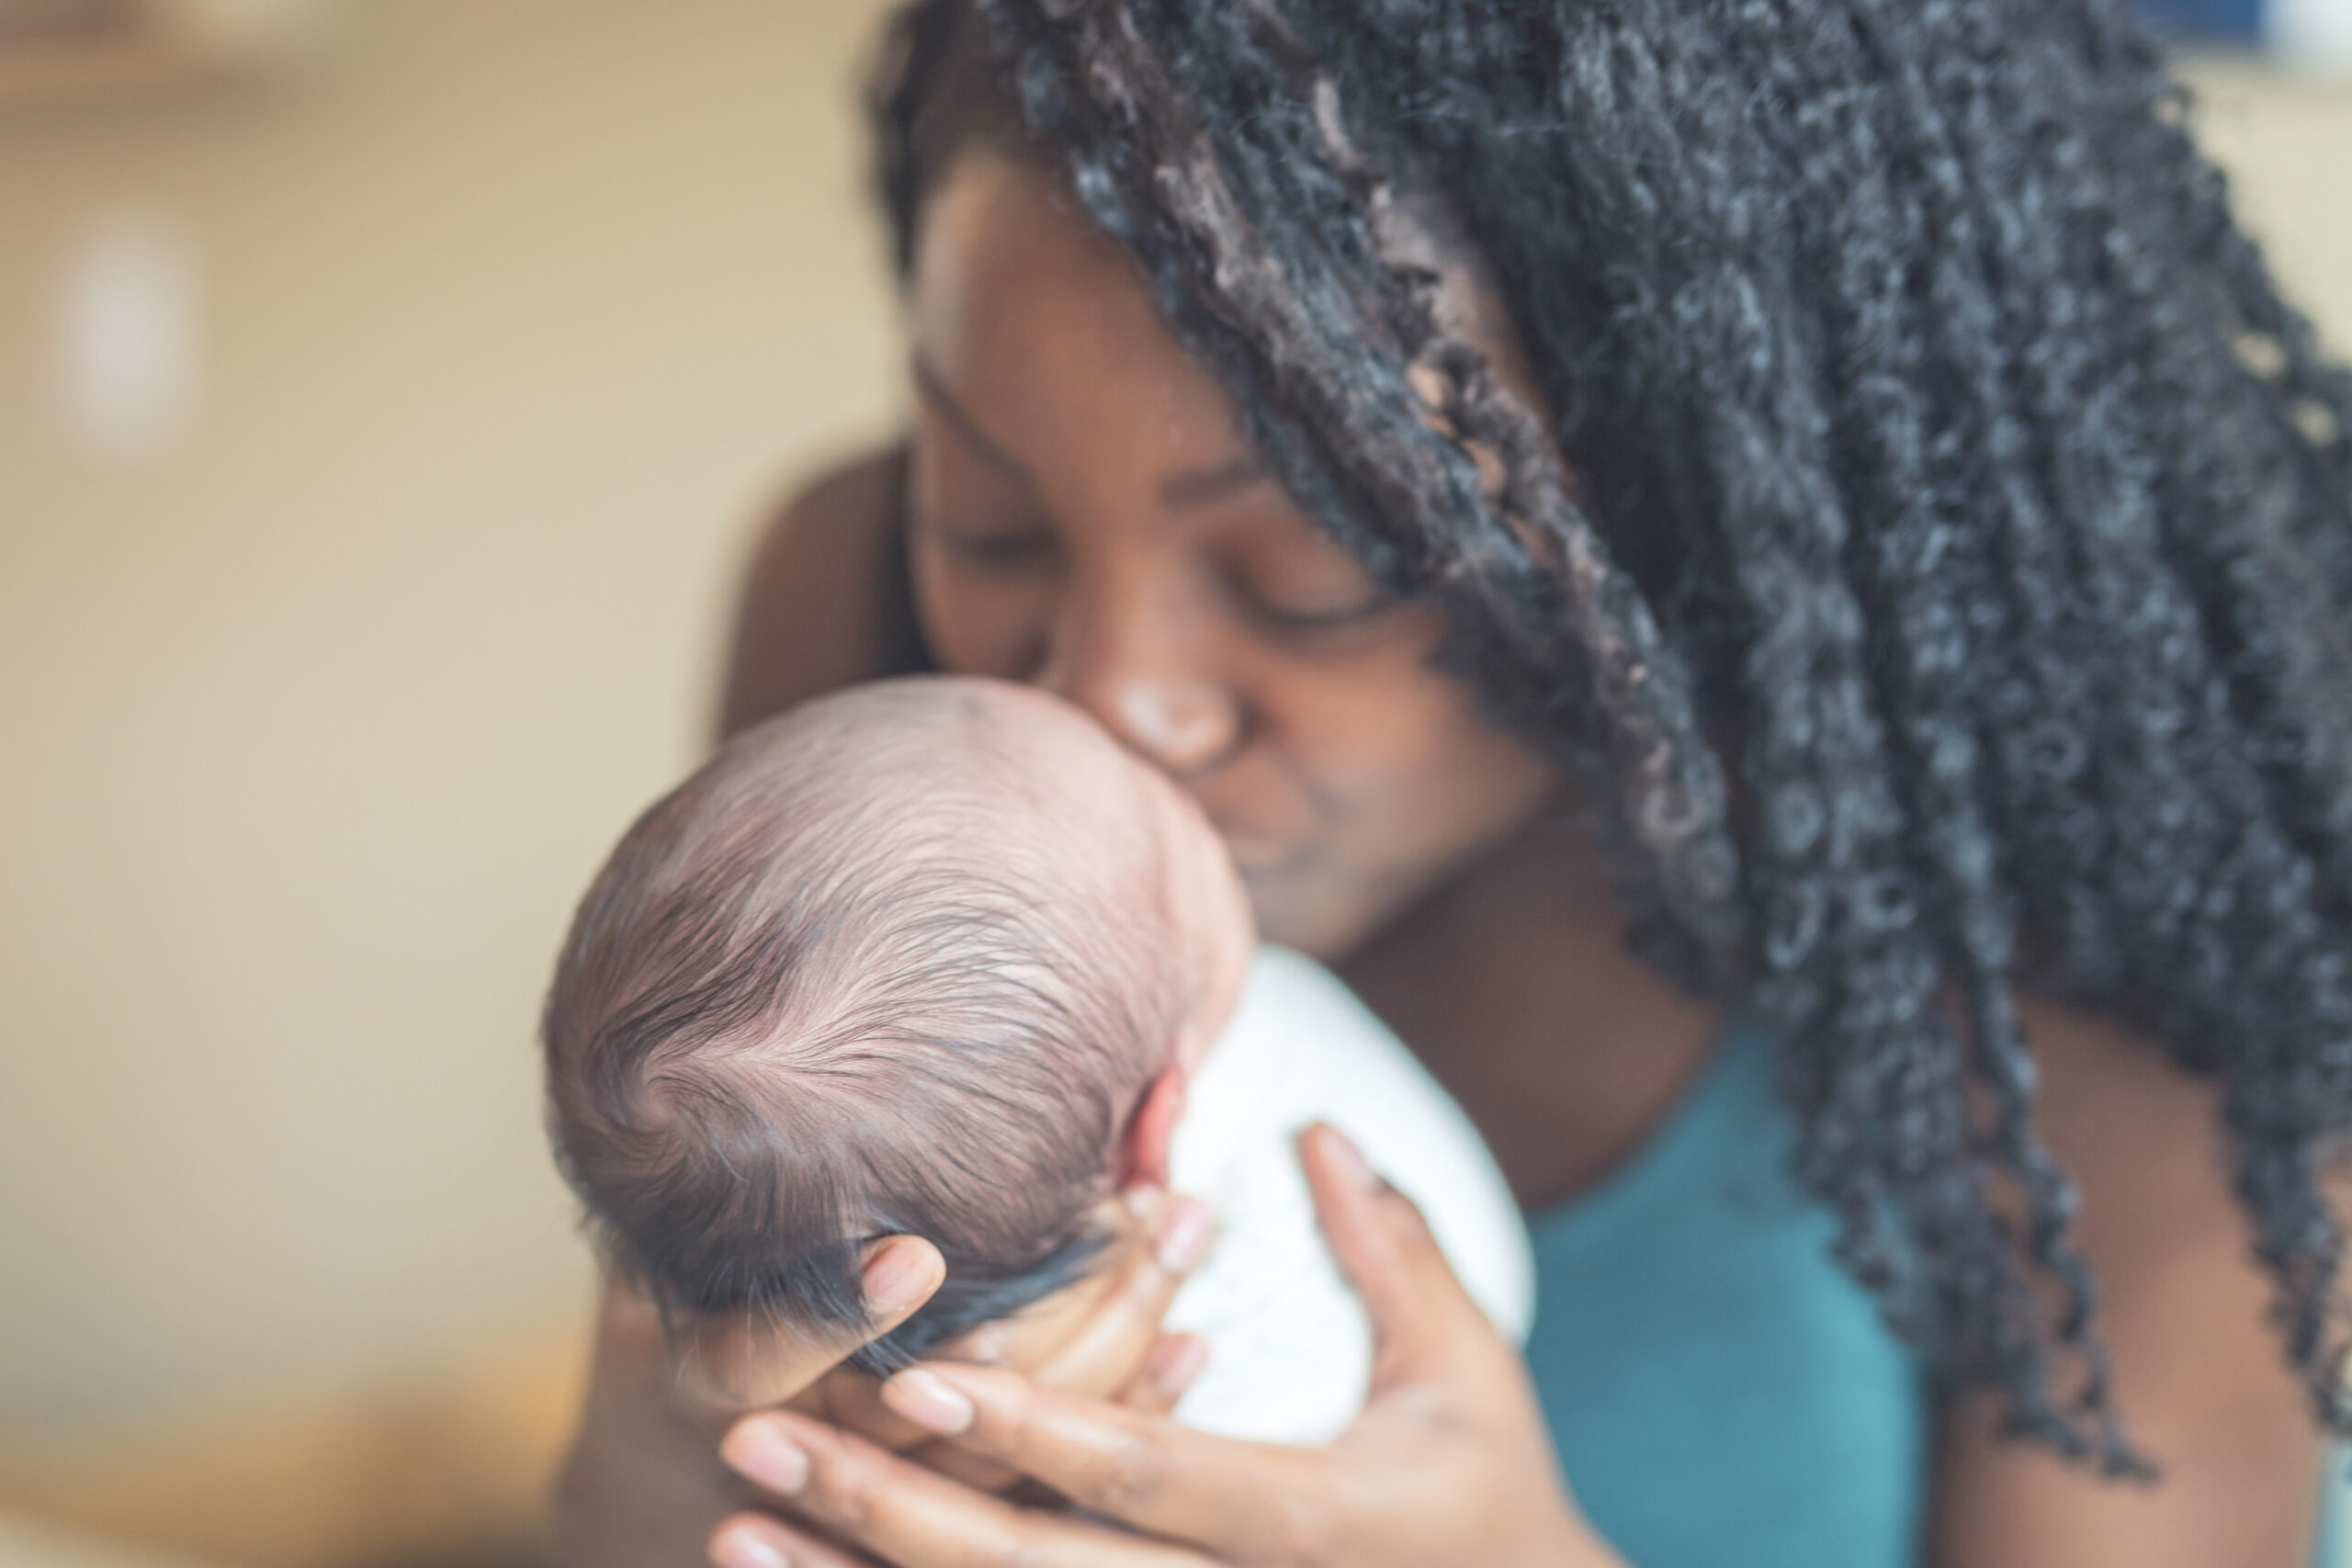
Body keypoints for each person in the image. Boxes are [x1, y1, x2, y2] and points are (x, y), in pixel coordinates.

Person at [550, 0, 2352, 1562]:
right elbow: (639, 1516)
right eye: (992, 516)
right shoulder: (863, 651)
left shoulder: (2100, 991)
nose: (1102, 695)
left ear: (1693, 515)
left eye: (1308, 578)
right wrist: (683, 1445)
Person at [540, 676, 1532, 1460]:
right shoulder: (1292, 1232)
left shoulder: (861, 1406)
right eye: (1167, 828)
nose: (1130, 726)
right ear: (1157, 1127)